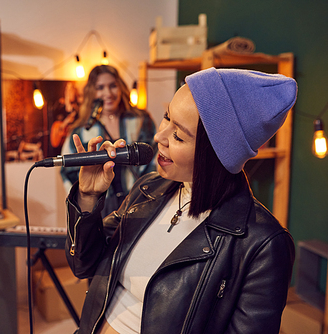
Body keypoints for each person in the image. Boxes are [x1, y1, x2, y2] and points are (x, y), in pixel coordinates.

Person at [65, 67, 298, 334]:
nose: (158, 137)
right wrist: (88, 197)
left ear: (215, 156)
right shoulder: (148, 189)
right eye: (167, 117)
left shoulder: (262, 245)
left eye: (178, 135)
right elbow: (84, 264)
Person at [60, 65, 157, 216]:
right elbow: (68, 172)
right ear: (92, 92)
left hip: (139, 202)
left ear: (121, 88)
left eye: (113, 86)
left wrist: (150, 193)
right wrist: (85, 201)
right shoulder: (82, 131)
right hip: (100, 207)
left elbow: (154, 158)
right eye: (100, 87)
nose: (108, 93)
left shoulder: (141, 121)